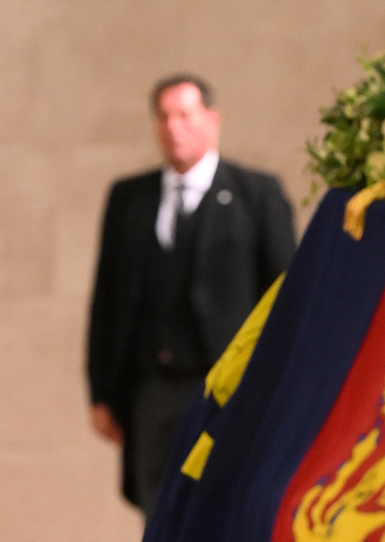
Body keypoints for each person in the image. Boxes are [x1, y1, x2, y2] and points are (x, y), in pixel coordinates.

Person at [87, 73, 297, 519]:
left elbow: (286, 298)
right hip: (152, 392)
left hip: (230, 388)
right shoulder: (130, 198)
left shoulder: (256, 195)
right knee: (158, 510)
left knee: (225, 507)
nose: (173, 127)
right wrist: (100, 391)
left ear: (212, 120)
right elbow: (107, 299)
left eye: (184, 114)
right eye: (163, 117)